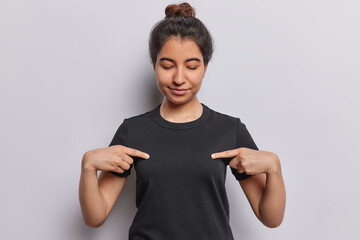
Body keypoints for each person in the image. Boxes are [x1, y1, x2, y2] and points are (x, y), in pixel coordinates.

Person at [79, 2, 286, 239]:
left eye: (191, 66)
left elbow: (271, 218)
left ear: (205, 67)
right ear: (154, 64)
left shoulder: (230, 130)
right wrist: (88, 167)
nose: (179, 78)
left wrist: (274, 168)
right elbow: (95, 217)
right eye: (167, 66)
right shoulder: (132, 131)